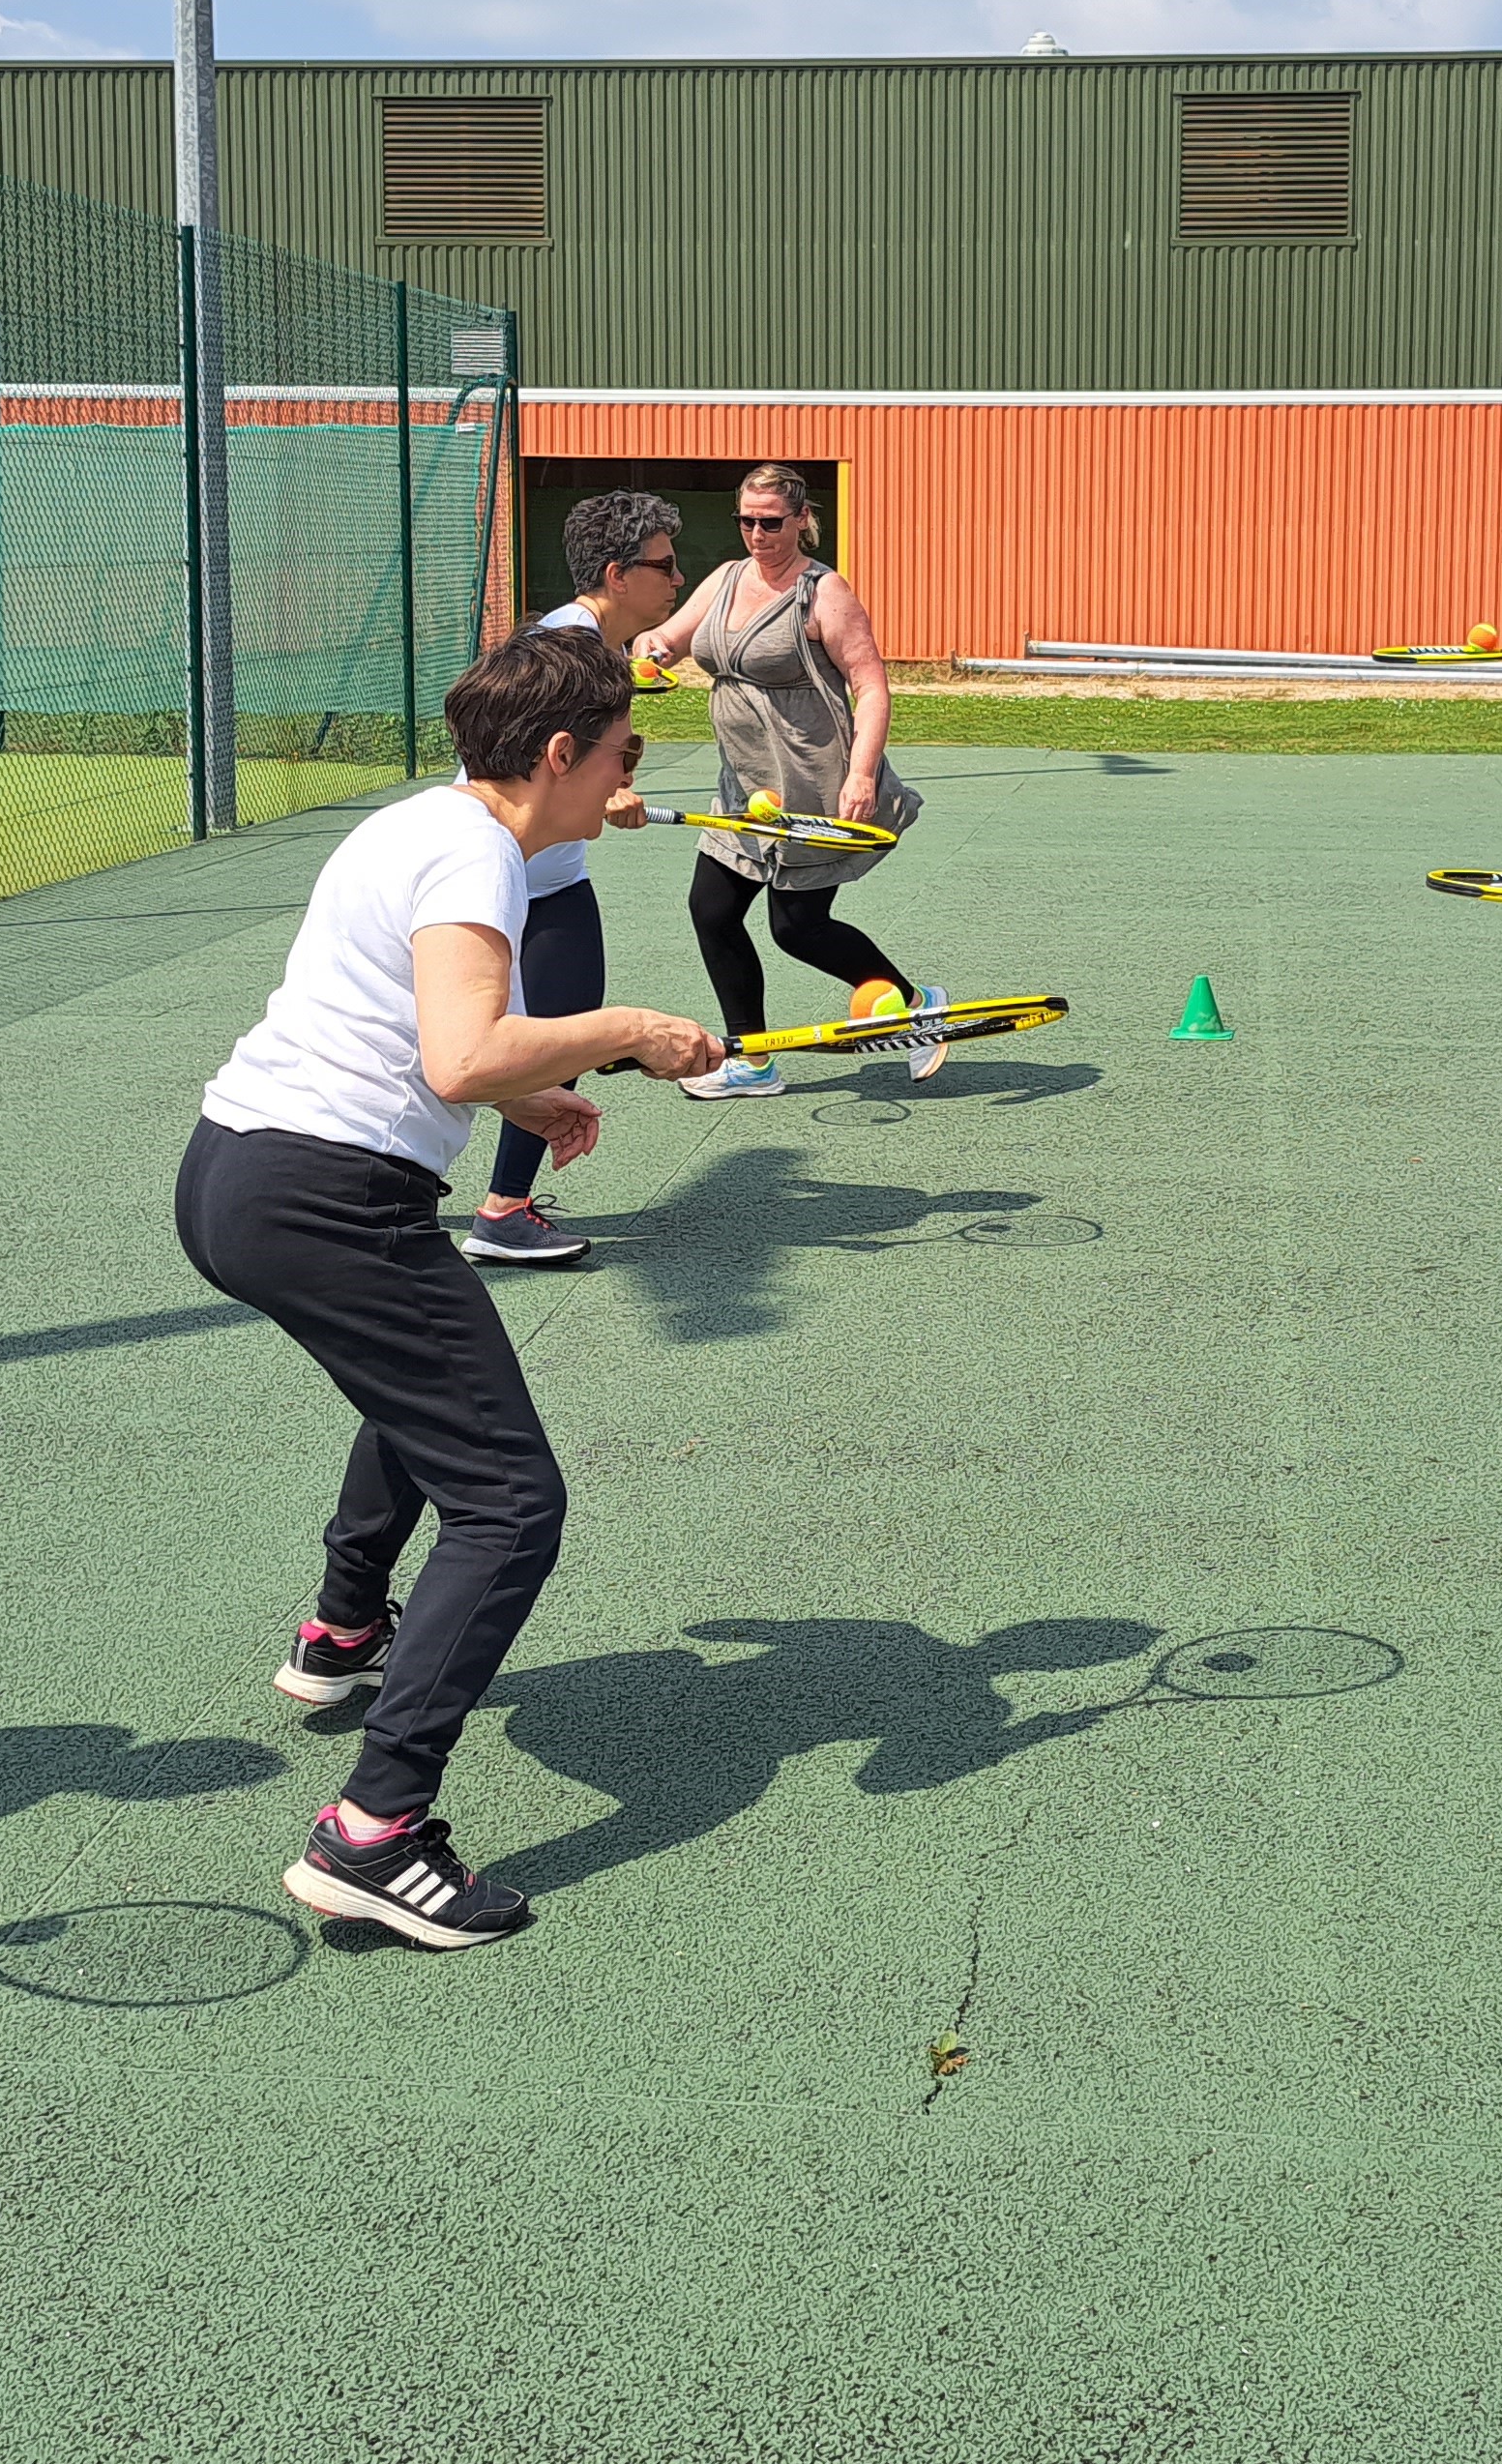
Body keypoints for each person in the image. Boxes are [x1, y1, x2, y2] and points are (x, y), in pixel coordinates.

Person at [175, 629, 719, 1948]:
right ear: (555, 753)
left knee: (429, 1389)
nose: (623, 783)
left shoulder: (419, 825)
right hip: (323, 1201)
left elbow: (418, 1035)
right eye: (620, 754)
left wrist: (540, 1089)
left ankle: (346, 1630)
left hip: (233, 1172)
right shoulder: (473, 855)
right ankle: (376, 1830)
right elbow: (462, 1048)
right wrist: (632, 1031)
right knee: (513, 1502)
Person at [635, 462, 941, 1098]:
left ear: (802, 520)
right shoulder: (724, 579)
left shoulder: (823, 593)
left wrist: (862, 773)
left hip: (815, 785)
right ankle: (751, 1059)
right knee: (712, 909)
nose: (757, 533)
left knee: (795, 927)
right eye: (745, 520)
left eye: (771, 522)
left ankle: (915, 1004)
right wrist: (653, 650)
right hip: (746, 789)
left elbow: (871, 684)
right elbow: (670, 635)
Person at [461, 489, 687, 1270]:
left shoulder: (593, 643)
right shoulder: (572, 648)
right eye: (663, 565)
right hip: (515, 879)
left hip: (542, 874)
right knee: (535, 1041)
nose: (677, 579)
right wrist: (608, 791)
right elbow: (521, 757)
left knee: (549, 1034)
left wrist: (609, 783)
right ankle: (501, 1211)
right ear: (618, 574)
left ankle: (497, 1205)